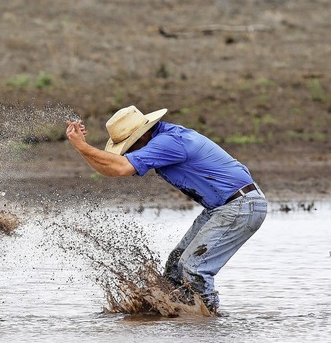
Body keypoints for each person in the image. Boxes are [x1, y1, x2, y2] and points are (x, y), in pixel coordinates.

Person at [66, 105, 267, 313]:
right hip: (224, 207)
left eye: (129, 147)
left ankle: (208, 320)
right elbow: (112, 171)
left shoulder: (168, 143)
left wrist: (83, 147)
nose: (129, 152)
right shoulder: (160, 139)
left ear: (142, 136)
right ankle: (181, 315)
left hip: (241, 206)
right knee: (175, 265)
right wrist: (82, 148)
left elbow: (120, 167)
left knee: (194, 268)